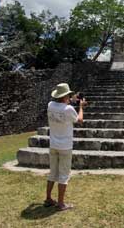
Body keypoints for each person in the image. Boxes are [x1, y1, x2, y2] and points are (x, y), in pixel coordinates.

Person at [44, 83, 86, 211]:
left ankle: (48, 198)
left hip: (53, 144)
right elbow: (79, 120)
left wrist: (70, 101)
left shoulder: (50, 106)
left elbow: (61, 108)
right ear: (65, 96)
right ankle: (61, 203)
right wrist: (81, 107)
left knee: (53, 173)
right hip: (65, 146)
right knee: (63, 174)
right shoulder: (68, 109)